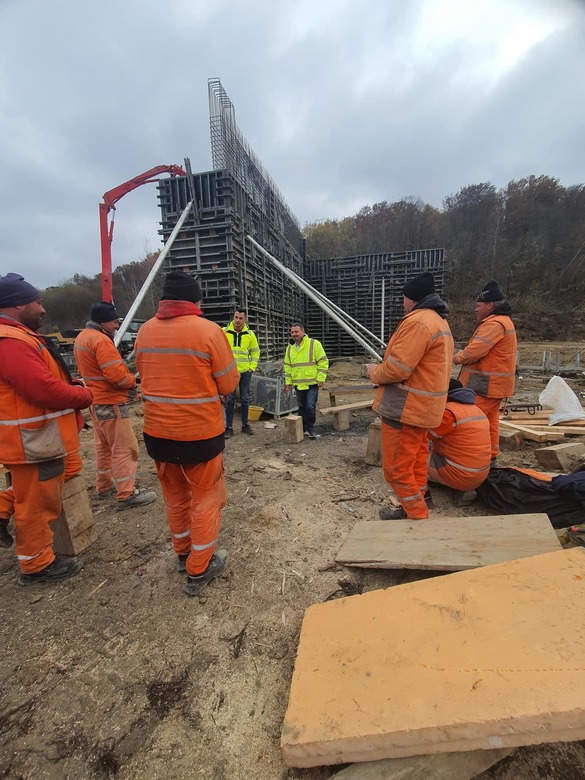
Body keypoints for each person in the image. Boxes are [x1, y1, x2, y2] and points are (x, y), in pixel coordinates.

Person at [135, 271, 239, 597]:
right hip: (199, 436)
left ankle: (183, 553)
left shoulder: (144, 332)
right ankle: (199, 567)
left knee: (175, 497)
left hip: (158, 434)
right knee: (206, 498)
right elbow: (229, 383)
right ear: (195, 301)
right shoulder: (208, 332)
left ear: (164, 301)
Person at [0, 273, 93, 584]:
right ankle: (36, 565)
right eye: (37, 302)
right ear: (18, 305)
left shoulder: (20, 336)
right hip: (32, 441)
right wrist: (82, 395)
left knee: (38, 491)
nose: (42, 309)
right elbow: (42, 390)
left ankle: (2, 507)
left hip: (38, 439)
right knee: (37, 505)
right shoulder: (10, 342)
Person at [365, 272, 453, 520]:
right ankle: (413, 509)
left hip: (406, 410)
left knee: (396, 470)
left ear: (412, 299)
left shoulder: (417, 322)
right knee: (415, 463)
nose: (402, 303)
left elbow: (397, 369)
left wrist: (374, 372)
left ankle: (417, 517)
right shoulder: (438, 321)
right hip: (422, 409)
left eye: (404, 298)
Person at [74, 302, 156, 511]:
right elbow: (116, 375)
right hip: (111, 402)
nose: (116, 326)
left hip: (95, 400)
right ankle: (126, 493)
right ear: (103, 321)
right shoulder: (101, 340)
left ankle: (105, 486)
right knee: (124, 448)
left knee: (103, 446)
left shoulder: (83, 337)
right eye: (114, 322)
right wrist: (132, 381)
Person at [453, 280, 517, 463]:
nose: (475, 309)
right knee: (489, 422)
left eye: (478, 305)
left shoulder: (494, 324)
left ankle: (469, 460)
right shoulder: (502, 321)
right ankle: (490, 457)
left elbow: (474, 351)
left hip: (485, 386)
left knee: (469, 421)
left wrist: (455, 358)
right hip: (494, 386)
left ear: (490, 305)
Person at [427, 379, 491, 495]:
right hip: (479, 475)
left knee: (415, 454)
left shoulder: (449, 413)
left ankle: (426, 490)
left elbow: (425, 435)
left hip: (461, 476)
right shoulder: (477, 410)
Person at [283, 322, 329, 439]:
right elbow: (287, 366)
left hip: (312, 383)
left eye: (296, 332)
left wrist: (321, 378)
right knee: (301, 407)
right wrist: (288, 382)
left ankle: (311, 428)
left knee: (310, 406)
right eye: (292, 332)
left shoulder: (314, 344)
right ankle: (302, 428)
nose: (294, 334)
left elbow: (323, 361)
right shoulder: (290, 348)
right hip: (298, 384)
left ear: (303, 332)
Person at [222, 307, 260, 437]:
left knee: (245, 398)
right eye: (236, 317)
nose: (238, 320)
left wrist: (251, 367)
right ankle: (229, 427)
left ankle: (245, 425)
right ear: (233, 317)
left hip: (245, 372)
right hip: (230, 372)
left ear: (245, 320)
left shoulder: (250, 334)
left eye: (240, 318)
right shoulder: (224, 332)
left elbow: (255, 351)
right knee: (230, 399)